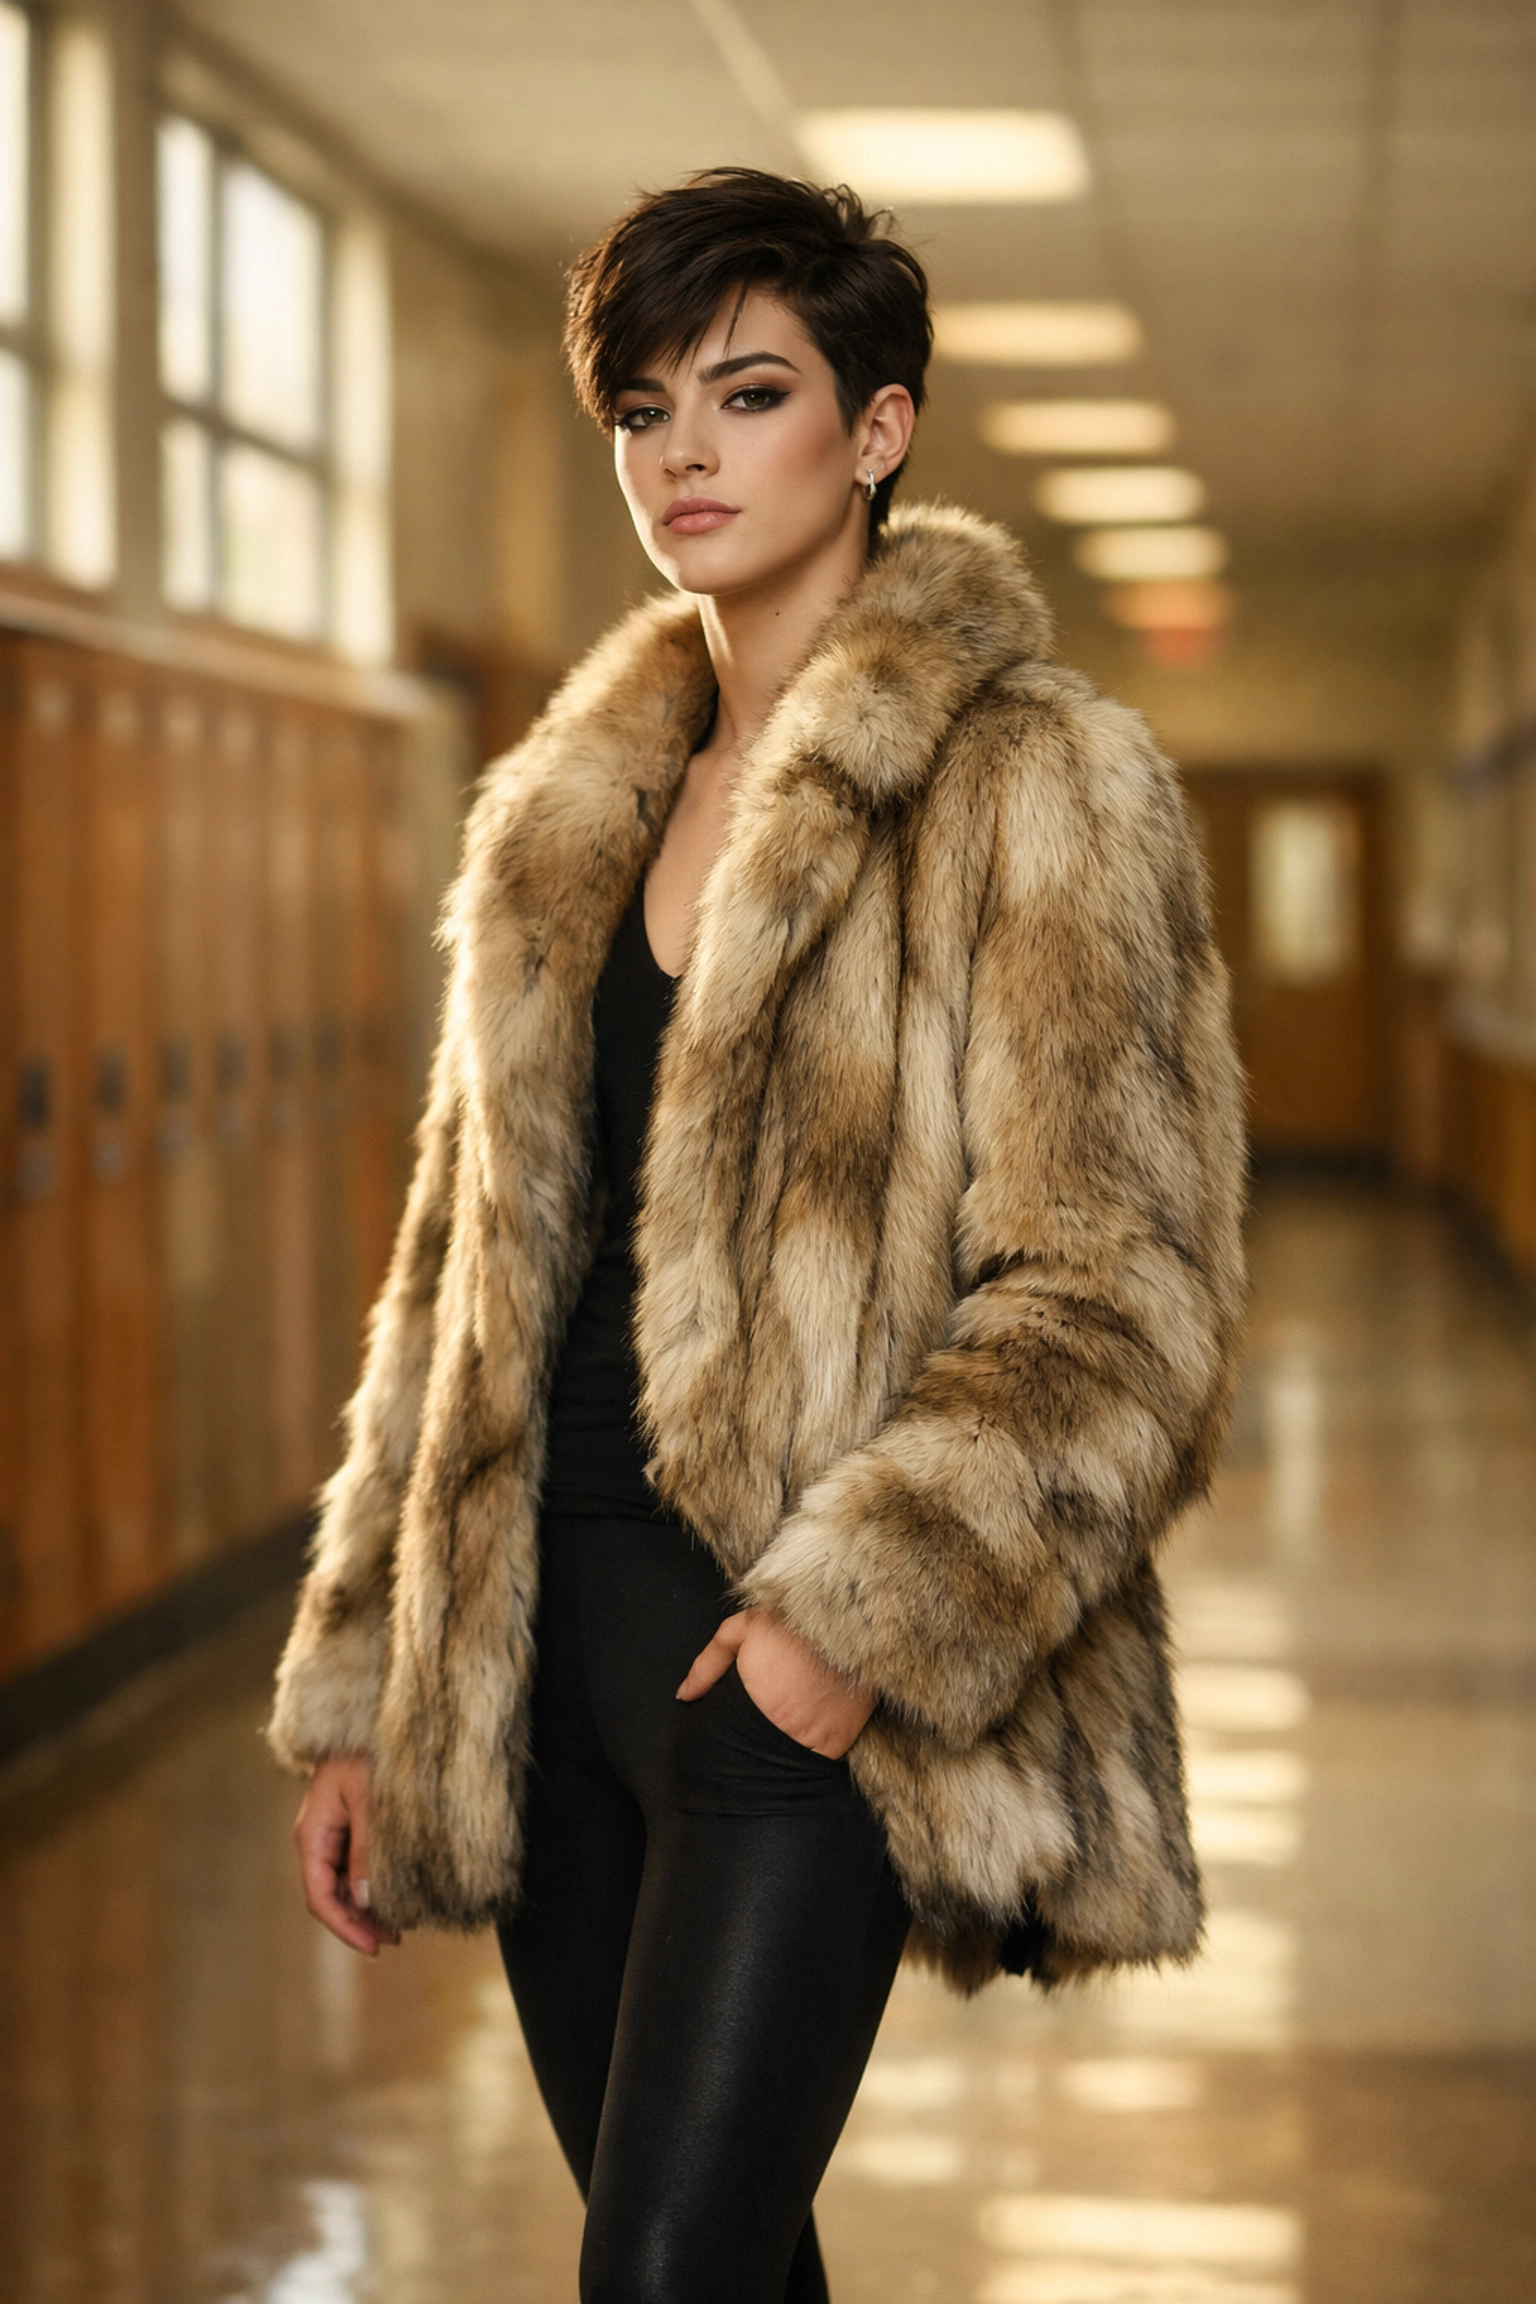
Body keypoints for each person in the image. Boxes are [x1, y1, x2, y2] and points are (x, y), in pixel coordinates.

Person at [270, 168, 1246, 2304]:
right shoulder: (560, 817)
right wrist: (365, 1684)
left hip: (794, 1671)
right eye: (642, 410)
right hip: (539, 1659)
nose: (681, 455)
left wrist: (850, 1628)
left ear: (878, 428)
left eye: (748, 392)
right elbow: (453, 1283)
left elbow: (1123, 1295)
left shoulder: (1036, 784)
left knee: (659, 2277)